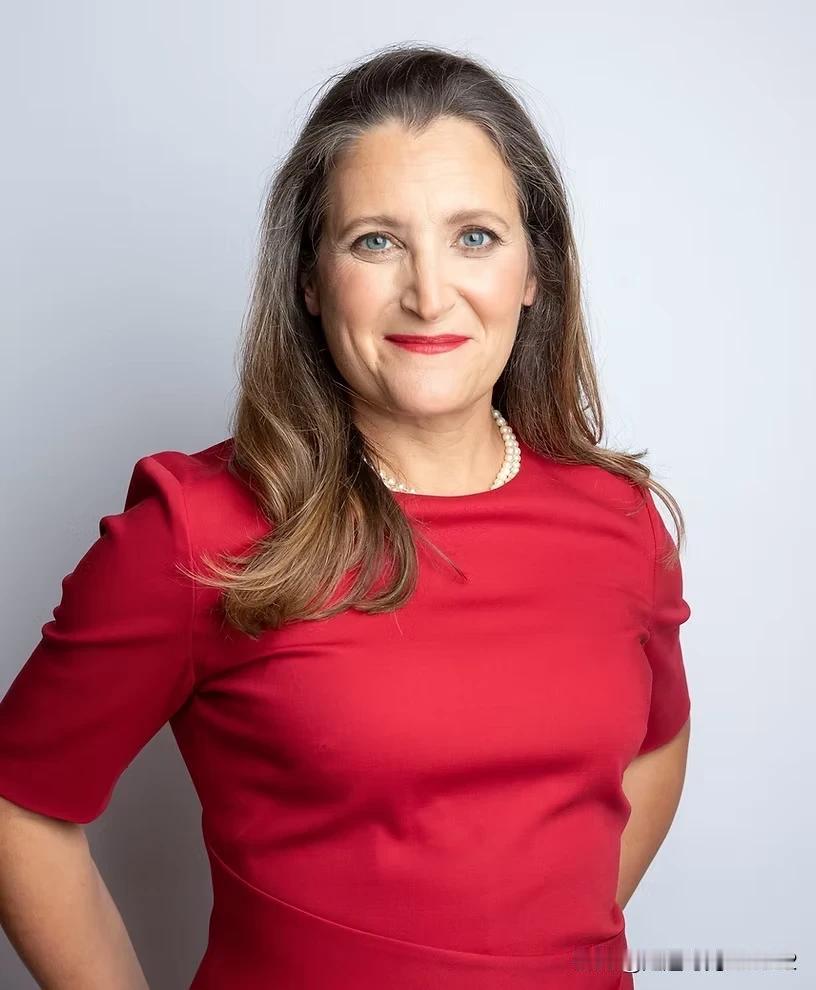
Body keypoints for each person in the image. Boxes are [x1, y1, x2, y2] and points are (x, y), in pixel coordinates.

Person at [0, 43, 692, 989]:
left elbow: (658, 740)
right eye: (376, 241)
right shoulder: (199, 531)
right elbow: (18, 803)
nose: (429, 294)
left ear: (535, 270)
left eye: (475, 237)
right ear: (310, 279)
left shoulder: (621, 522)